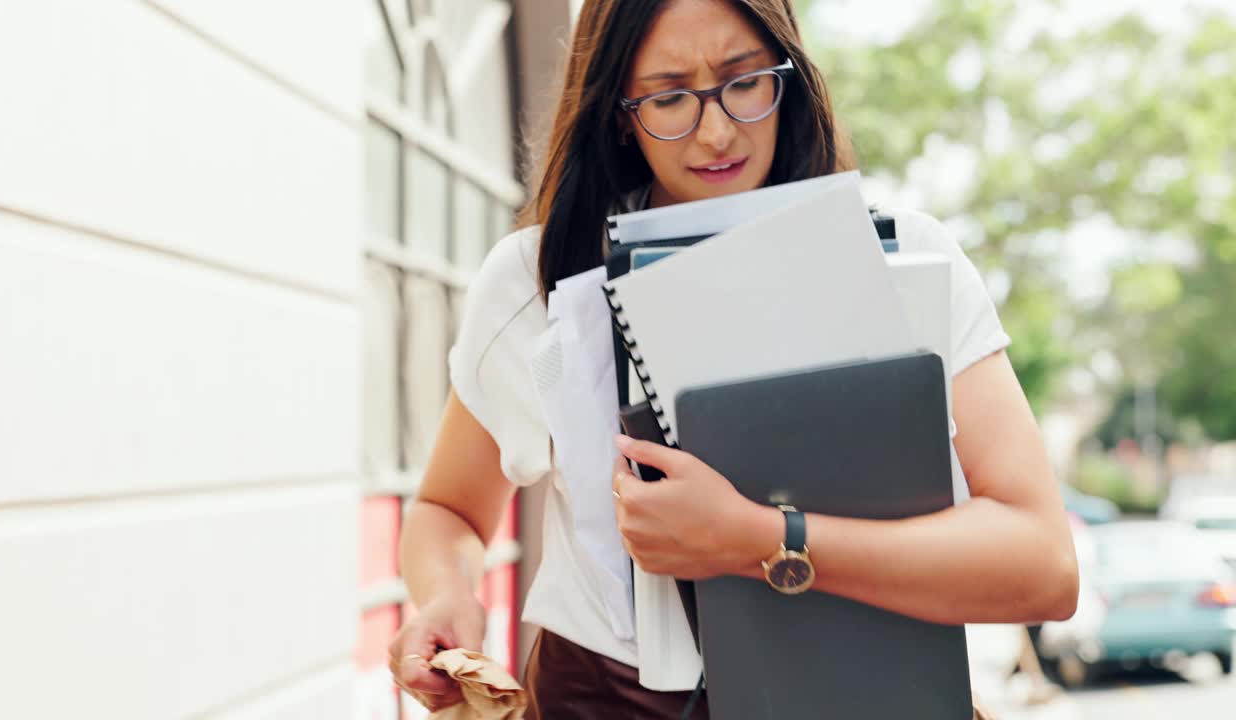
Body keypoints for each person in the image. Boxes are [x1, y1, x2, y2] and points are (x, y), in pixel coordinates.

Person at [388, 1, 1080, 717]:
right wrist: (444, 596)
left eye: (744, 82)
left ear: (791, 78)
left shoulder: (910, 259)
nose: (716, 131)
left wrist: (756, 540)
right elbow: (449, 510)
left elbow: (1045, 567)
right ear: (620, 110)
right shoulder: (536, 281)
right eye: (668, 96)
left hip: (860, 691)